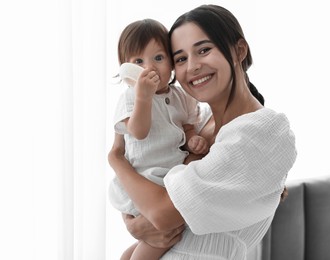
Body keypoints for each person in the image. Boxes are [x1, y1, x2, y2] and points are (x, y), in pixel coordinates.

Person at [108, 5, 297, 259]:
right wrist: (133, 222)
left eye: (204, 50)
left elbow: (161, 213)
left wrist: (116, 159)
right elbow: (147, 181)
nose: (193, 66)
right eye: (181, 58)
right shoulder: (199, 124)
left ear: (239, 50)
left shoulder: (261, 131)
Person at [109, 19, 209, 260]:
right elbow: (138, 131)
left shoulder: (181, 97)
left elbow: (185, 127)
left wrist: (193, 139)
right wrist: (144, 97)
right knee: (156, 242)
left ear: (172, 63)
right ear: (125, 68)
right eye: (138, 62)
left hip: (170, 177)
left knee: (148, 242)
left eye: (158, 58)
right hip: (146, 179)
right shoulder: (131, 97)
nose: (149, 68)